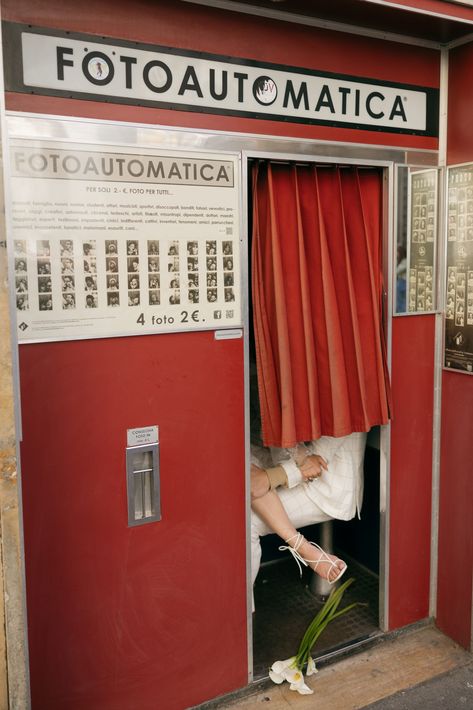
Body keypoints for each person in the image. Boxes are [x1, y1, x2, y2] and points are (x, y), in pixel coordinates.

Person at [250, 432, 367, 596]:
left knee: (247, 522)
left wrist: (270, 478)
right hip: (284, 462)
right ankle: (305, 550)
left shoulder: (343, 408)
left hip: (326, 486)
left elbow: (313, 463)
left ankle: (239, 613)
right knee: (240, 460)